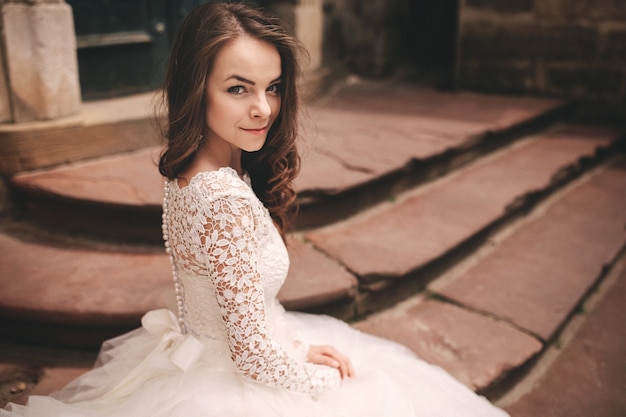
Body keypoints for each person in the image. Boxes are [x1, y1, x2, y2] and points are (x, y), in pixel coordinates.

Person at [2, 2, 511, 416]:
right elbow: (251, 357)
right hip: (234, 383)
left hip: (213, 355)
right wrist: (322, 383)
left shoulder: (193, 174)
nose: (263, 108)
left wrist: (297, 346)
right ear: (195, 88)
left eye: (272, 87)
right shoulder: (221, 199)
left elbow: (239, 317)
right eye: (238, 88)